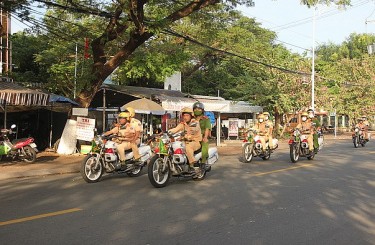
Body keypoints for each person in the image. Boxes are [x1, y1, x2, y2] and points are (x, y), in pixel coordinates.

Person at [168, 107, 202, 174]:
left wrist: (184, 137)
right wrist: (168, 132)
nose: (185, 117)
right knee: (176, 146)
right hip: (185, 141)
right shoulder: (182, 124)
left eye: (187, 115)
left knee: (188, 147)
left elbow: (192, 132)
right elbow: (175, 129)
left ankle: (193, 166)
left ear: (191, 116)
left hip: (195, 142)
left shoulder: (194, 123)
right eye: (184, 115)